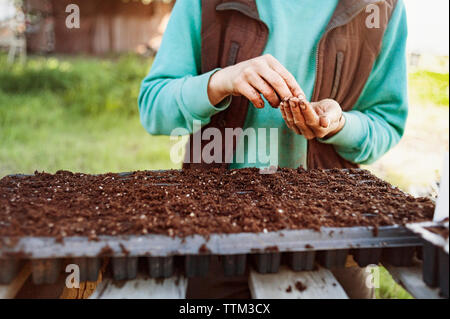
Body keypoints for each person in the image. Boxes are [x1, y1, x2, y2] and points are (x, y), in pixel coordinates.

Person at [138, 0, 408, 299]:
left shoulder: (380, 8)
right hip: (215, 228)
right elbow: (153, 107)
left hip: (332, 228)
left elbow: (386, 122)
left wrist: (339, 124)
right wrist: (221, 81)